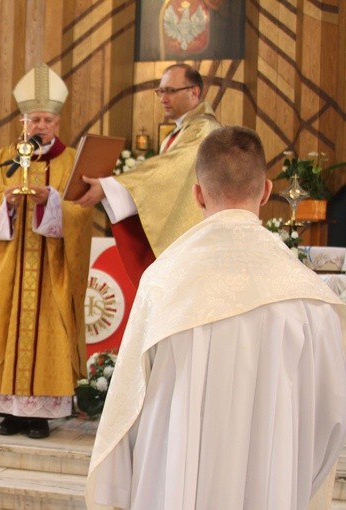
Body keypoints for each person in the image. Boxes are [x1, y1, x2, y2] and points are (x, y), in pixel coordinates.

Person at [85, 126, 346, 510]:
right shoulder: (309, 297)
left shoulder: (164, 282)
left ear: (197, 194)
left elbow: (127, 410)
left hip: (174, 488)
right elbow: (328, 420)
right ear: (267, 191)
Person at [0, 63, 94, 439]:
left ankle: (39, 416)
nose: (41, 127)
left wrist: (48, 201)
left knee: (48, 333)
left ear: (57, 123)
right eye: (34, 119)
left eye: (48, 120)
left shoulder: (71, 163)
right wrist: (7, 205)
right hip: (9, 267)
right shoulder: (4, 158)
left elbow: (82, 211)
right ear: (23, 122)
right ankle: (10, 412)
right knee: (3, 329)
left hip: (52, 267)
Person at [75, 64, 221, 286]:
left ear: (194, 92)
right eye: (160, 91)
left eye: (170, 91)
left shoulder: (204, 129)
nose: (163, 98)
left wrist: (110, 187)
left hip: (193, 244)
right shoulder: (182, 129)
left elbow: (171, 170)